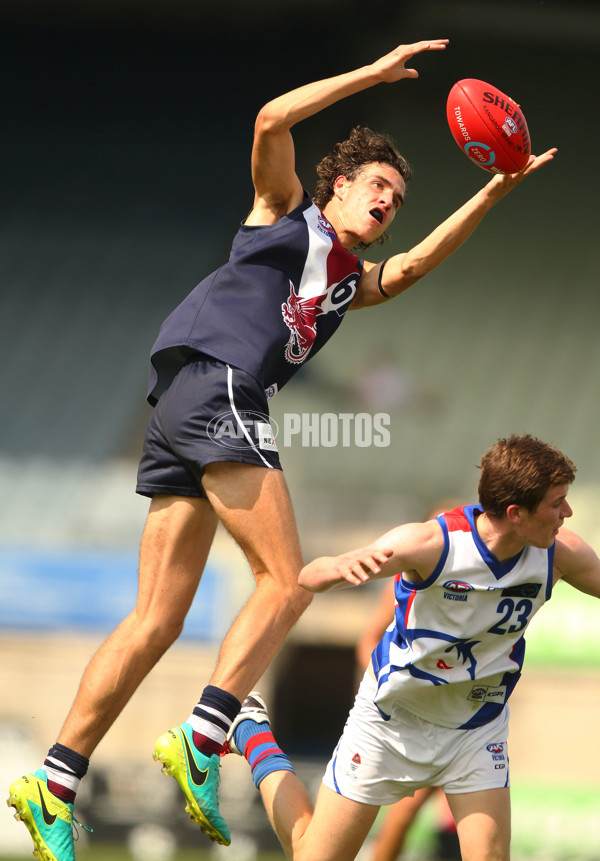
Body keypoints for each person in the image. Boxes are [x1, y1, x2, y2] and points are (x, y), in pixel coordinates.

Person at [7, 35, 557, 860]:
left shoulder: (343, 283)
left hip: (183, 404)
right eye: (378, 187)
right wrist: (371, 76)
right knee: (288, 581)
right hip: (220, 384)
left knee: (157, 617)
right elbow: (270, 118)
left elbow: (410, 268)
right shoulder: (284, 212)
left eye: (397, 199)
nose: (387, 204)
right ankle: (205, 735)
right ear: (337, 185)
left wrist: (495, 189)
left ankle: (52, 781)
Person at [225, 435, 600, 861]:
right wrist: (336, 568)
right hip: (391, 723)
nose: (566, 514)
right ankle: (255, 735)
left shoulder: (562, 555)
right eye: (557, 504)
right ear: (516, 514)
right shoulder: (430, 544)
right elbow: (308, 576)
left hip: (476, 729)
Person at [355, 500, 463, 861]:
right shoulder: (408, 583)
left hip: (464, 717)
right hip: (413, 712)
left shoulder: (474, 588)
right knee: (404, 813)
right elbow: (369, 640)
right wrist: (388, 684)